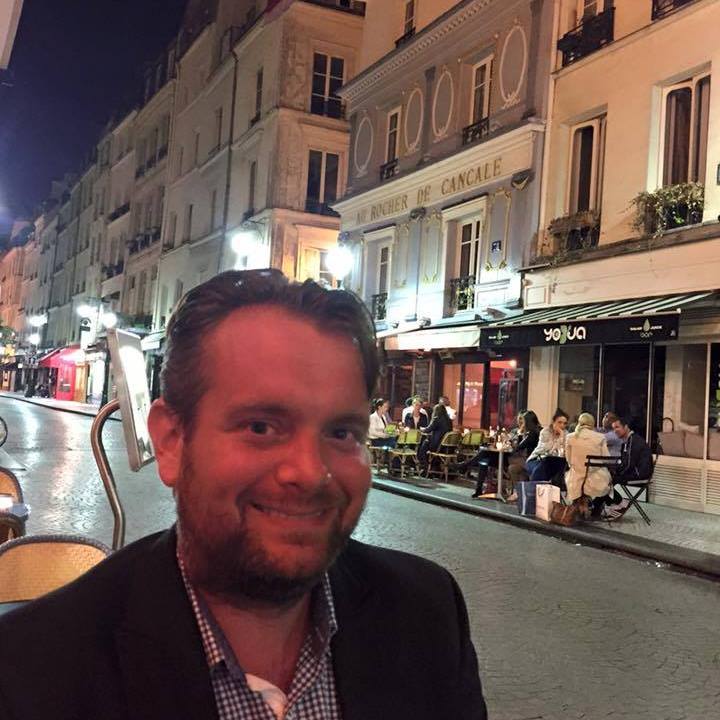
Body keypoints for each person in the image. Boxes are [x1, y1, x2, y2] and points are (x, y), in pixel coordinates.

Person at [0, 270, 486, 719]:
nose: (310, 473)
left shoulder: (426, 614)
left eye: (341, 433)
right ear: (171, 441)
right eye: (261, 426)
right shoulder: (31, 671)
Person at [604, 416, 654, 518]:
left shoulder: (633, 441)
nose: (615, 430)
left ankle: (618, 504)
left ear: (626, 427)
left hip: (639, 475)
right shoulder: (628, 441)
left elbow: (629, 465)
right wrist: (614, 471)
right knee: (605, 478)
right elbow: (625, 463)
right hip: (635, 472)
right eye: (613, 428)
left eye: (617, 427)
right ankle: (610, 505)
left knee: (605, 481)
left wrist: (616, 474)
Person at [565, 412, 612, 512]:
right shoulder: (600, 437)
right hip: (596, 479)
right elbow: (606, 458)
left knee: (570, 474)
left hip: (575, 479)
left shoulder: (570, 437)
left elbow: (568, 459)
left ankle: (579, 506)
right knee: (608, 478)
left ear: (579, 422)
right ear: (592, 423)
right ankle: (594, 507)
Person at [525, 409, 569, 486]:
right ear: (553, 422)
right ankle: (534, 489)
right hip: (537, 459)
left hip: (554, 462)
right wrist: (560, 438)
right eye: (559, 422)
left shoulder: (566, 434)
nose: (562, 425)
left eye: (565, 423)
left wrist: (562, 436)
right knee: (542, 467)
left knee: (559, 467)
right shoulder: (545, 432)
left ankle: (544, 490)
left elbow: (564, 452)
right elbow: (548, 450)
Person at [418, 402, 453, 470]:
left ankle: (425, 465)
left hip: (437, 446)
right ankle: (434, 465)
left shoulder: (436, 419)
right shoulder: (449, 420)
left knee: (423, 445)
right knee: (426, 443)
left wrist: (421, 429)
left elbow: (428, 430)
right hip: (447, 447)